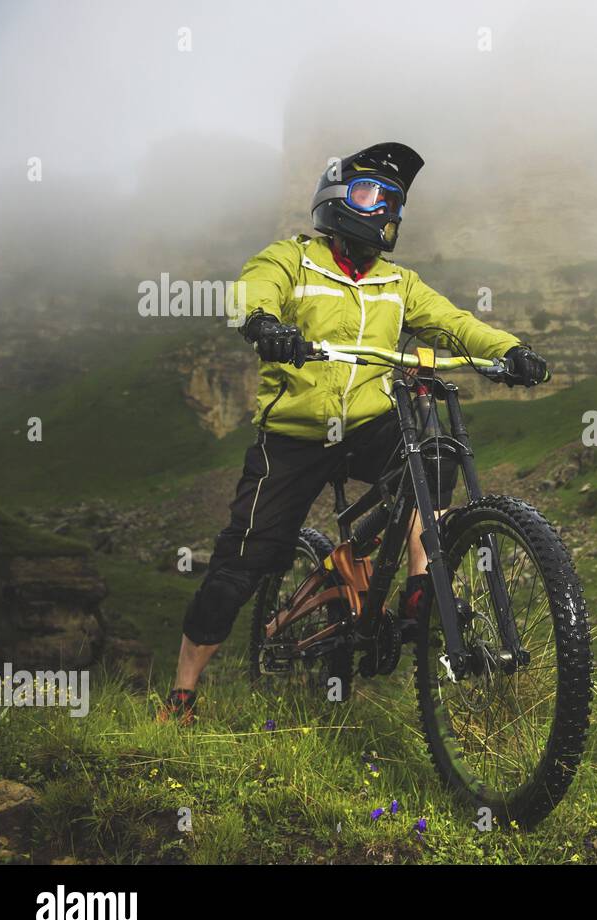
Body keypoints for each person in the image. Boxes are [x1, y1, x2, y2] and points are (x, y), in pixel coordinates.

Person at [159, 142, 547, 724]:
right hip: (294, 434)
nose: (386, 209)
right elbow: (250, 293)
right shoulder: (291, 258)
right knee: (242, 563)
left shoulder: (399, 281)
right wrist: (265, 324)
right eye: (372, 193)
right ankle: (184, 692)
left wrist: (511, 351)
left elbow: (454, 323)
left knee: (433, 455)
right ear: (335, 198)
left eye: (394, 200)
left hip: (367, 423)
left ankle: (418, 586)